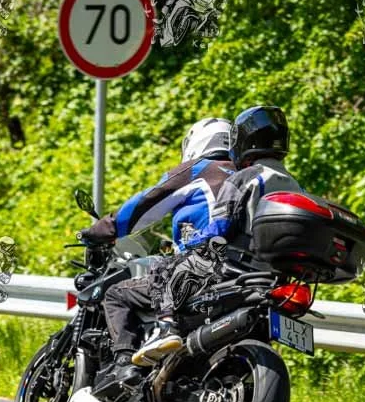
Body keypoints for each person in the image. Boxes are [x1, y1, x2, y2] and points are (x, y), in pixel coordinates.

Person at [132, 105, 306, 366]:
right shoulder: (294, 185)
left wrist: (194, 241)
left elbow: (221, 226)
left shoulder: (245, 177)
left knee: (163, 269)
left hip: (234, 266)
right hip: (273, 275)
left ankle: (166, 328)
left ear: (243, 141)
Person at [78, 118, 237, 387]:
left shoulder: (198, 170)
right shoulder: (248, 175)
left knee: (116, 295)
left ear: (197, 142)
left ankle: (124, 367)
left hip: (199, 268)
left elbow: (145, 204)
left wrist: (103, 229)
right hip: (241, 271)